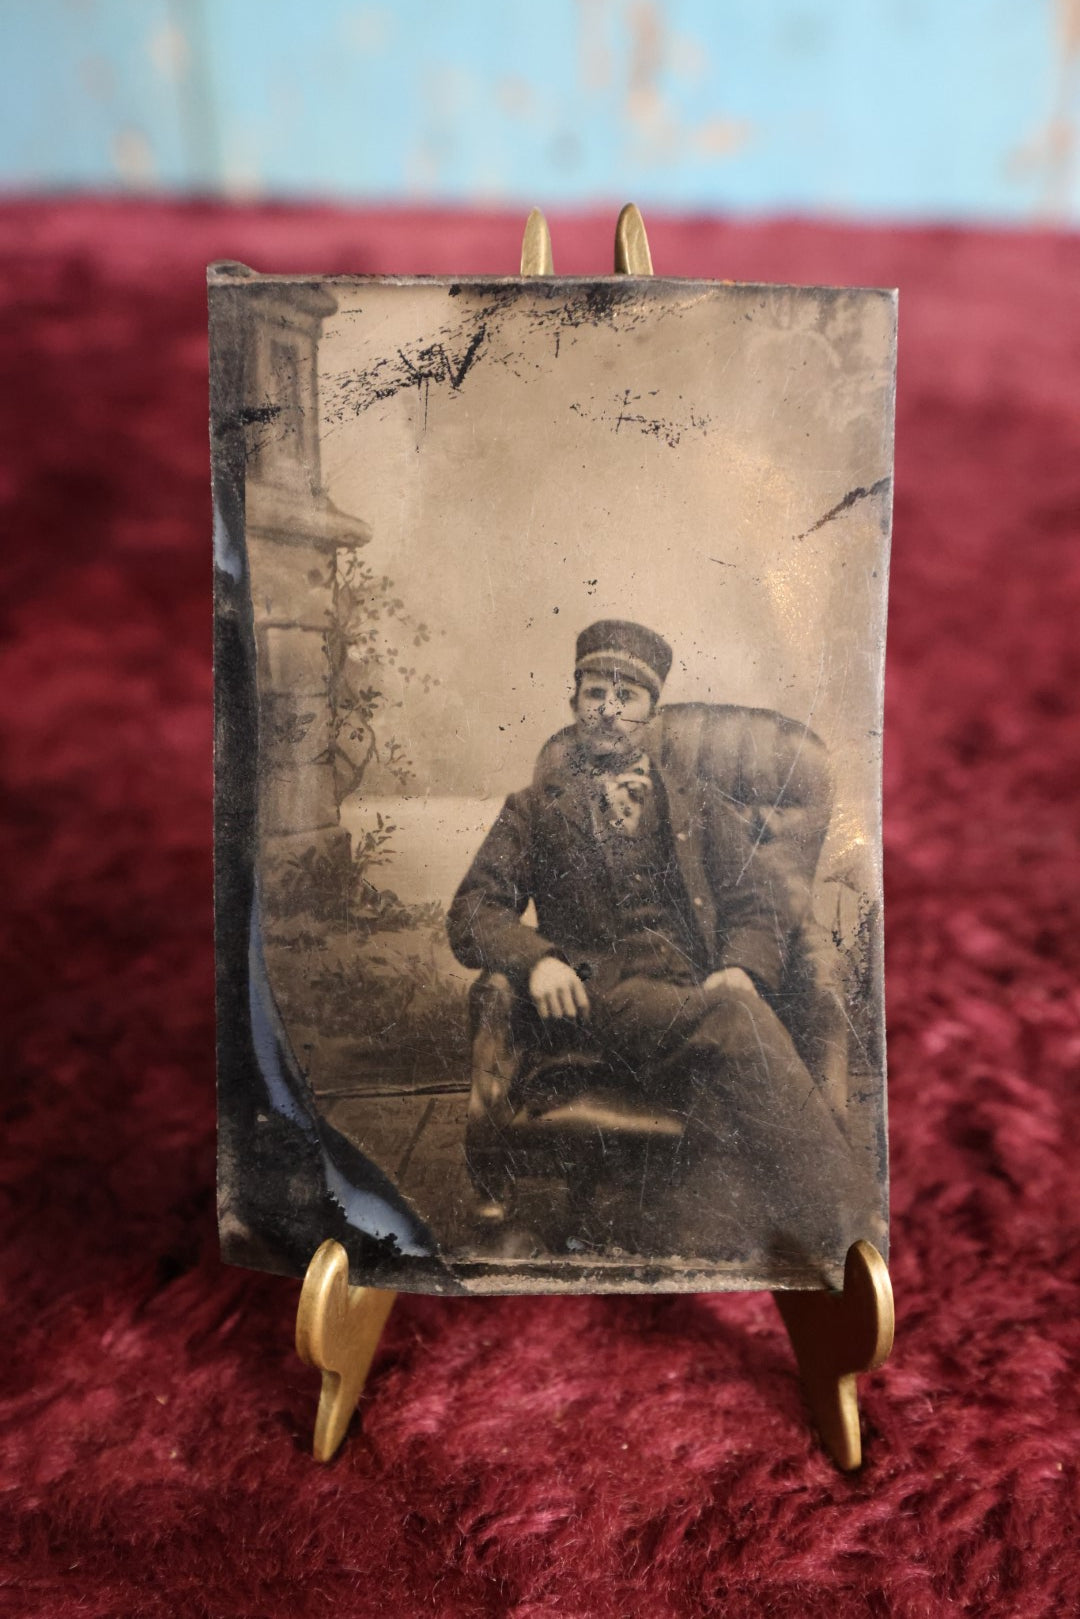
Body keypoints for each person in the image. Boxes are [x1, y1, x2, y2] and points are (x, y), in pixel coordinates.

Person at [446, 619, 868, 1264]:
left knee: (717, 1141)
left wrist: (740, 968)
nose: (608, 712)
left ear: (652, 712)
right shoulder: (534, 808)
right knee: (731, 1020)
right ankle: (852, 1233)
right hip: (594, 1006)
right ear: (574, 703)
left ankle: (754, 1250)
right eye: (594, 694)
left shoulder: (696, 804)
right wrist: (537, 962)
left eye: (627, 698)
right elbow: (473, 910)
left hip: (689, 1003)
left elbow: (760, 900)